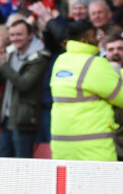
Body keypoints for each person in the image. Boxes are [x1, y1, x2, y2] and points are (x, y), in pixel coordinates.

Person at [50, 22, 123, 161]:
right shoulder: (94, 64)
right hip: (93, 148)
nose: (97, 38)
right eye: (93, 35)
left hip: (62, 147)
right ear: (84, 39)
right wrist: (118, 72)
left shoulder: (60, 61)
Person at [0, 20, 50, 158]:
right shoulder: (10, 55)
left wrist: (3, 64)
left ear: (30, 35)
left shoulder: (39, 58)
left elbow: (24, 84)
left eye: (19, 34)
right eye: (12, 35)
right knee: (3, 164)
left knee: (22, 165)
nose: (15, 38)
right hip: (6, 119)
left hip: (24, 120)